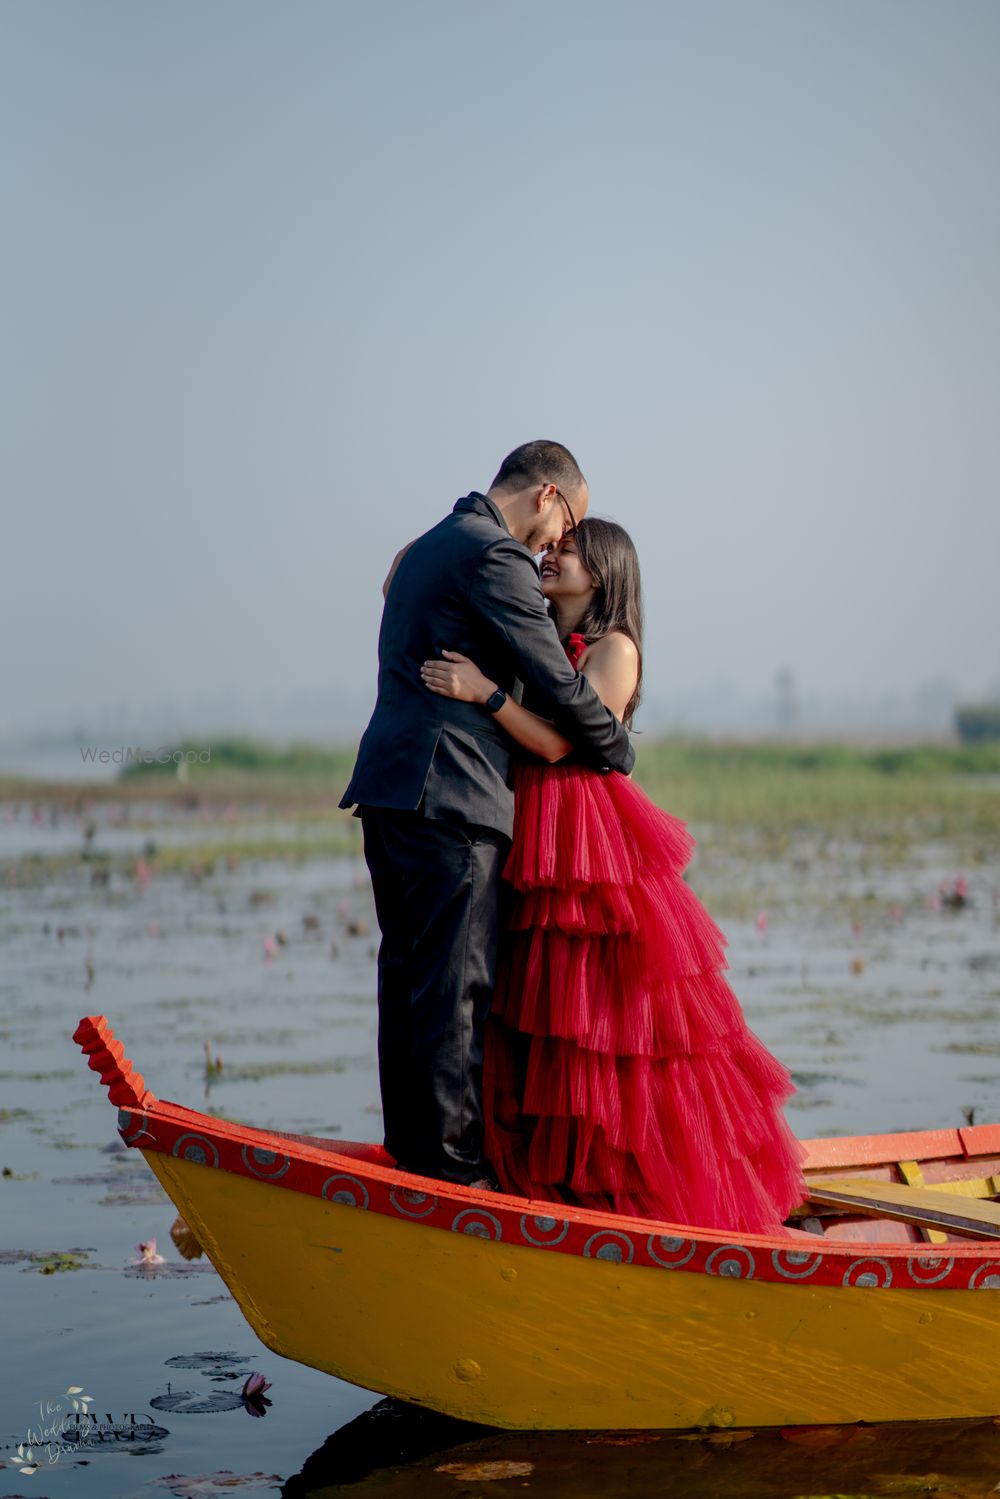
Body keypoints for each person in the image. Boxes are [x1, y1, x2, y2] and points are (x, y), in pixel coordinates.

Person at [419, 517, 807, 1234]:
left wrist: (484, 694)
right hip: (533, 819)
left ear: (602, 570)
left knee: (599, 1009)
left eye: (568, 549)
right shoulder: (535, 635)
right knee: (538, 1003)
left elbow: (565, 742)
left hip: (585, 828)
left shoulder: (615, 648)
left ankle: (626, 1182)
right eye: (553, 545)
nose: (551, 552)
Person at [340, 442, 635, 1190]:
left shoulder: (431, 545)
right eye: (567, 520)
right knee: (455, 988)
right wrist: (617, 747)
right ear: (545, 495)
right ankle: (451, 1174)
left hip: (388, 787)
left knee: (407, 974)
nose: (558, 541)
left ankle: (411, 1154)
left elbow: (394, 580)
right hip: (452, 793)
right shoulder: (492, 554)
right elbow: (558, 685)